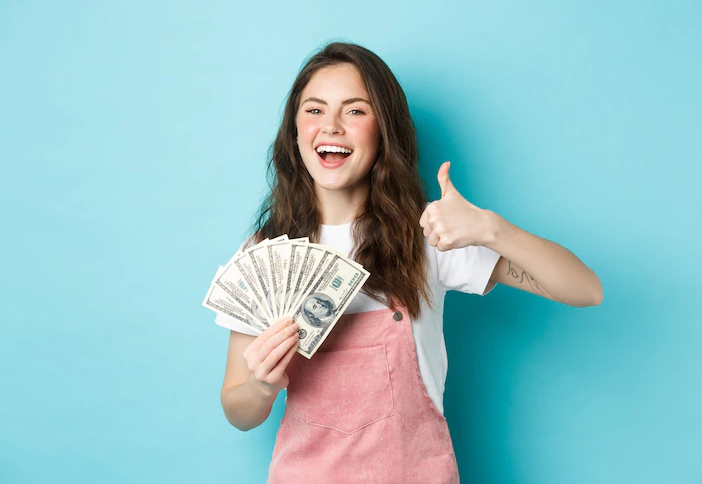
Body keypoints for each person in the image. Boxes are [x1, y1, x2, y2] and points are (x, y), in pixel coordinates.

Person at [216, 42, 603, 484]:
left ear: (385, 130)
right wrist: (261, 386)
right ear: (294, 131)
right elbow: (238, 410)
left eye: (356, 111)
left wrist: (492, 229)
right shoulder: (265, 256)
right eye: (315, 110)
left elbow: (586, 289)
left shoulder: (428, 239)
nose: (332, 127)